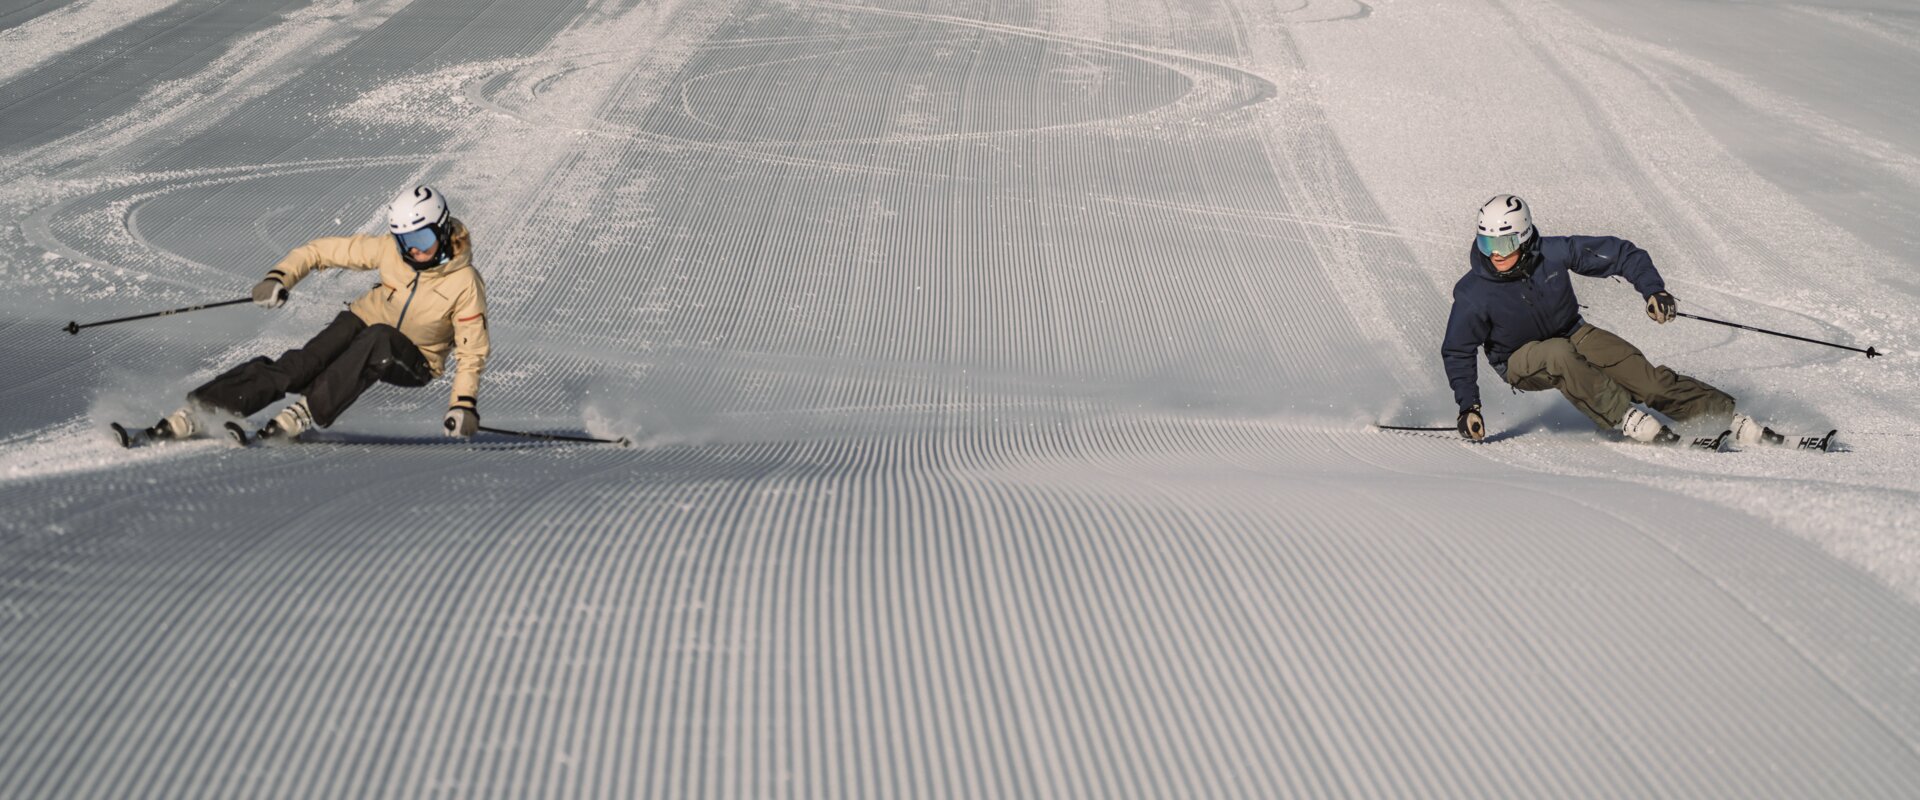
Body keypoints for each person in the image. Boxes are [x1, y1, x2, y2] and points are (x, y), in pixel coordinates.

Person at [146, 185, 490, 442]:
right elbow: (320, 251)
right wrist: (279, 277)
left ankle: (306, 411)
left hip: (415, 358)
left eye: (422, 238)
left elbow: (472, 352)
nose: (413, 250)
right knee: (301, 365)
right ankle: (205, 410)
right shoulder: (391, 251)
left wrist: (463, 404)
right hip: (364, 321)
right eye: (404, 240)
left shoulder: (465, 283)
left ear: (442, 229)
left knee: (380, 338)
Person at [1442, 194, 1769, 445]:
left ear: (1525, 238)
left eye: (1505, 243)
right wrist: (1469, 407)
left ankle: (1721, 415)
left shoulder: (1552, 253)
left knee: (1643, 378)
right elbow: (1458, 350)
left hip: (1572, 332)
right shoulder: (1474, 292)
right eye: (1487, 243)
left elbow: (1622, 254)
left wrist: (1653, 291)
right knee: (1557, 353)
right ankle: (1625, 417)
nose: (1495, 254)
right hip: (1516, 359)